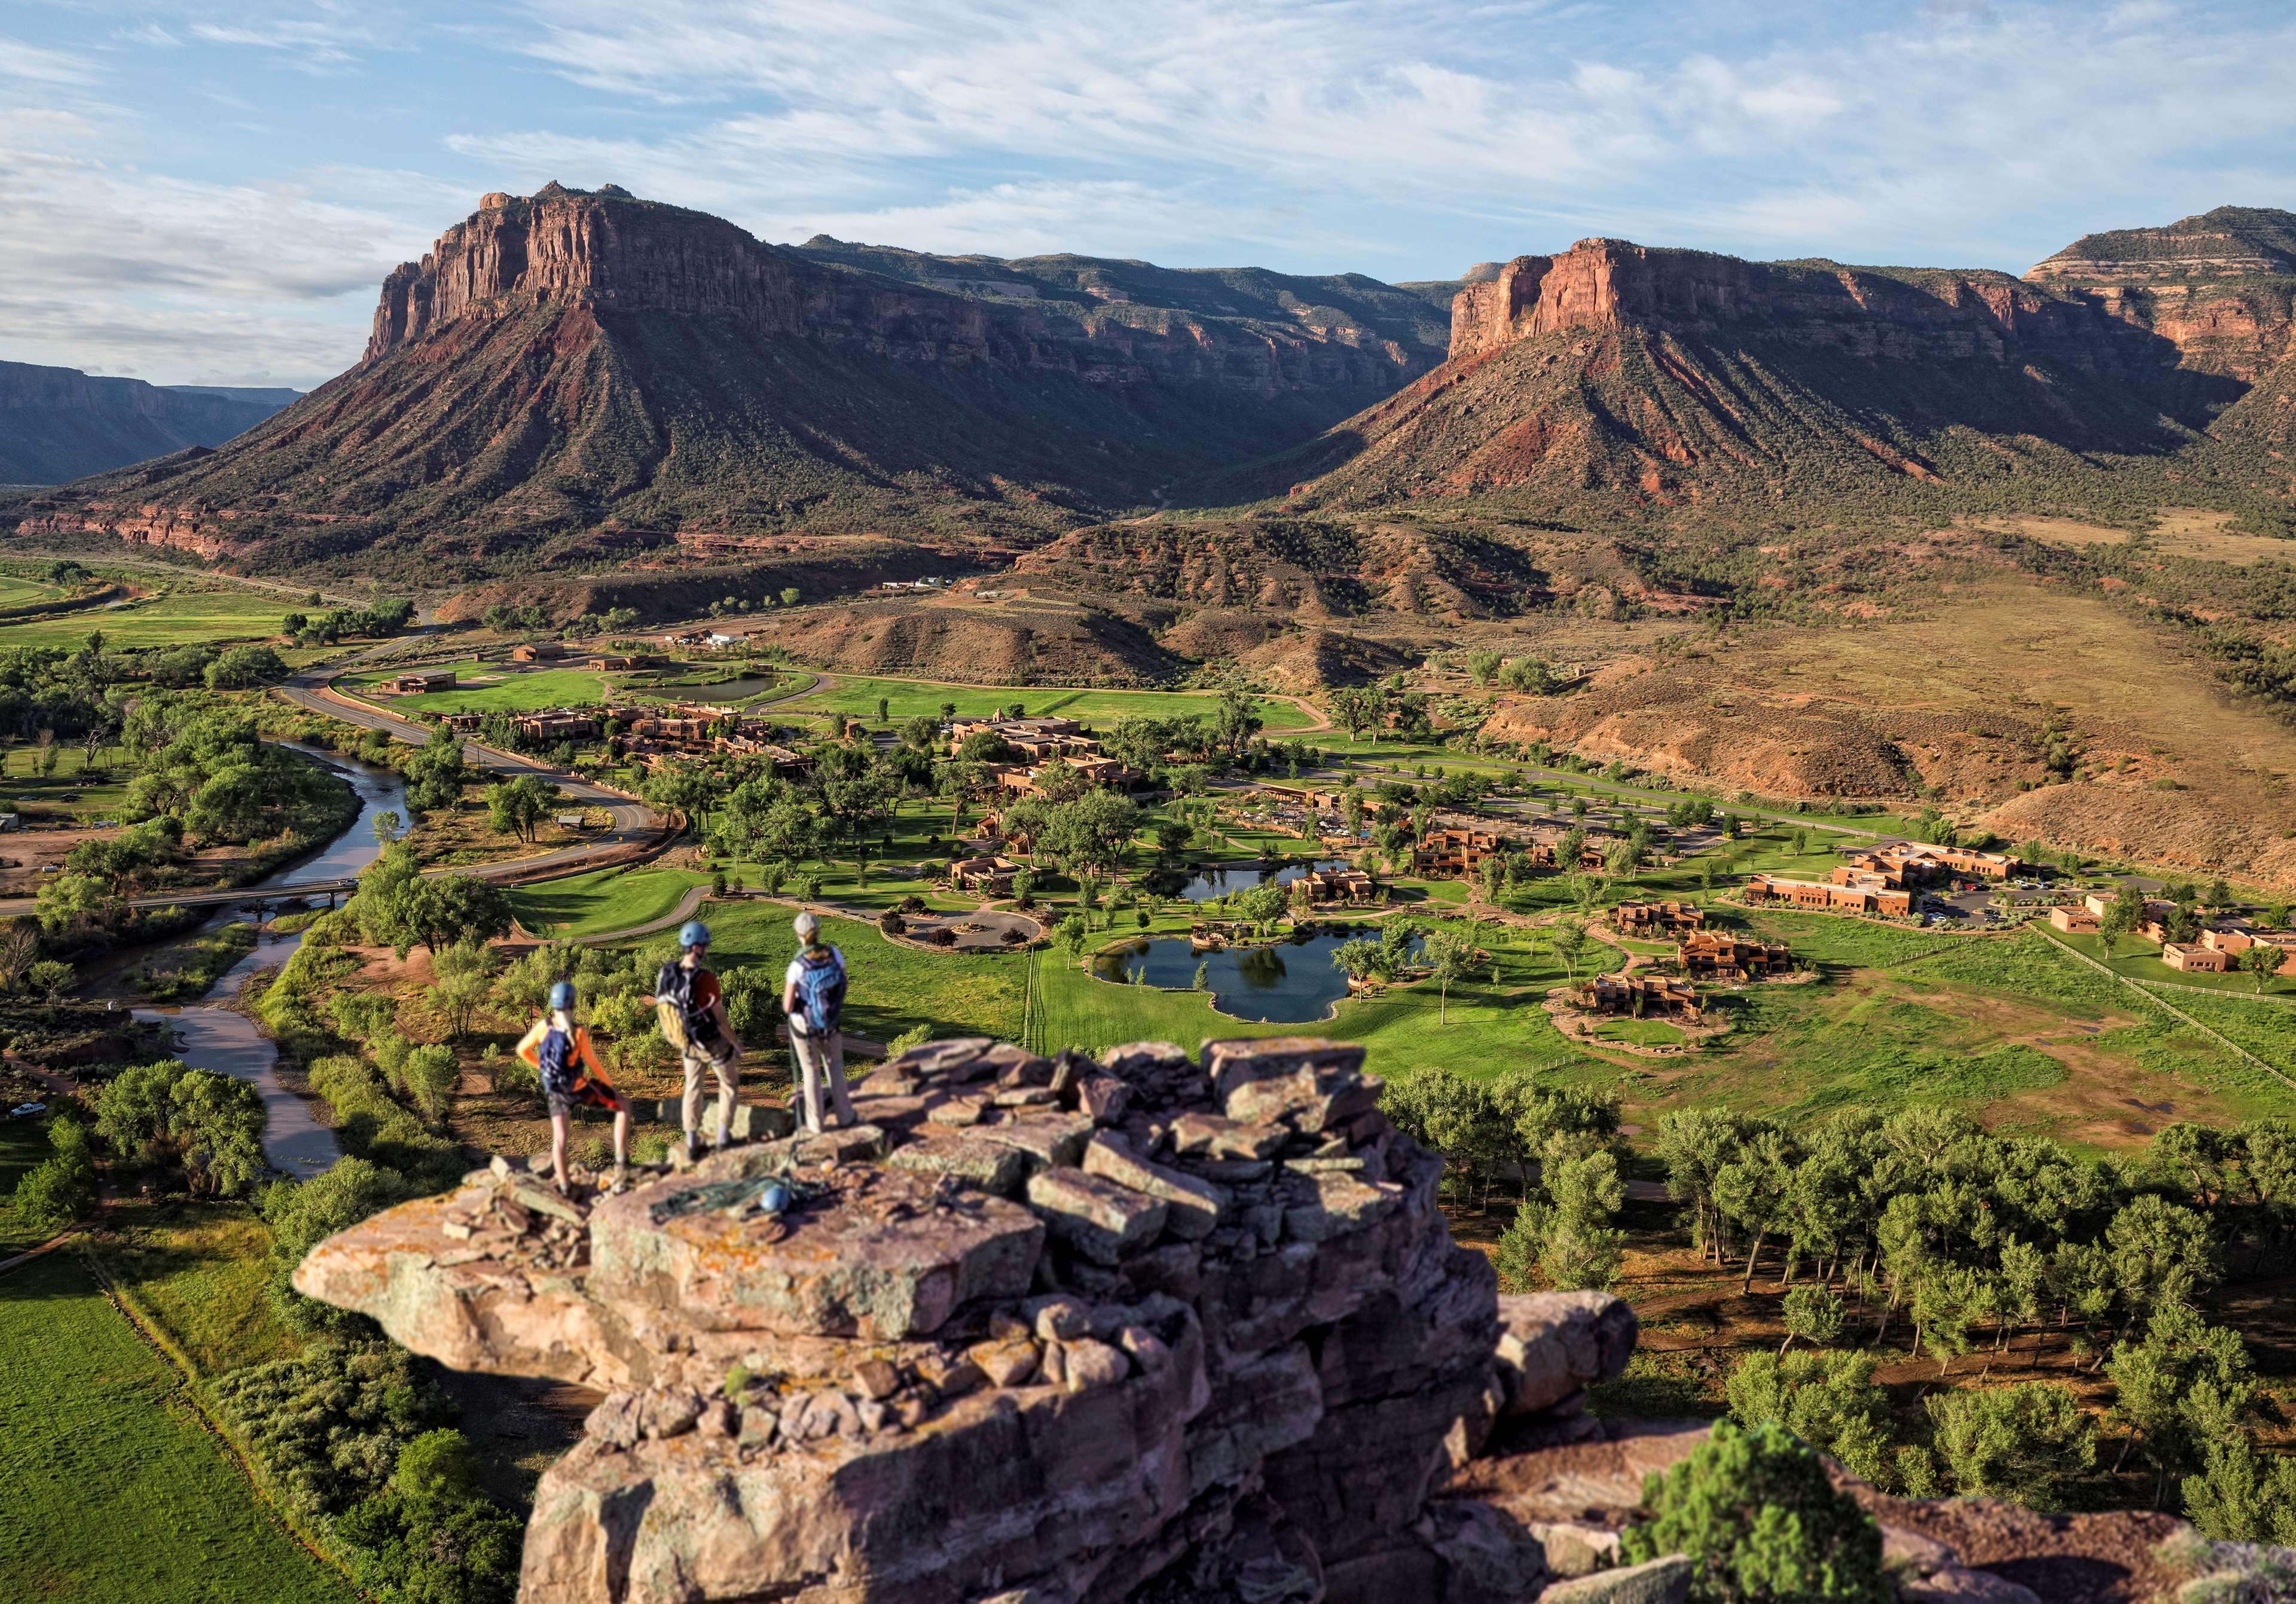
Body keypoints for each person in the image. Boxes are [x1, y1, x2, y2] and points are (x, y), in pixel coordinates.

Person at [516, 980, 630, 1194]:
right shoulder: (578, 1033)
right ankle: (621, 1163)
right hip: (579, 1087)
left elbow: (523, 1050)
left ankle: (565, 1186)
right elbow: (593, 1063)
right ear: (573, 1004)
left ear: (553, 1004)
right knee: (622, 1106)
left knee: (560, 1138)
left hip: (556, 1091)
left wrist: (541, 1067)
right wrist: (608, 1085)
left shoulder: (544, 1027)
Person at [656, 919, 741, 1161]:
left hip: (686, 1041)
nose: (706, 949)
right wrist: (734, 1043)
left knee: (693, 1088)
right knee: (730, 1085)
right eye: (704, 945)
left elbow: (664, 1005)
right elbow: (720, 1019)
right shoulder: (706, 979)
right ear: (696, 947)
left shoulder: (668, 972)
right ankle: (723, 1138)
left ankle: (692, 1142)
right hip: (711, 1041)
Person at [782, 910, 856, 1135]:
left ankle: (817, 1125)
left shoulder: (798, 966)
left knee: (811, 1073)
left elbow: (787, 1005)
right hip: (831, 1023)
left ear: (799, 934)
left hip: (806, 1027)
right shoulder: (834, 954)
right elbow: (844, 983)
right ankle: (845, 1117)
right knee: (835, 1069)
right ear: (817, 930)